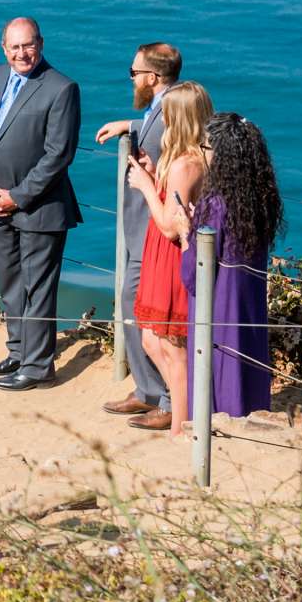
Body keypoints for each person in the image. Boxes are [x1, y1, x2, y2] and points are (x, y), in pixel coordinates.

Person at [0, 17, 81, 390]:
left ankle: (37, 367)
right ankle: (17, 351)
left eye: (28, 45)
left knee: (38, 287)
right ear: (3, 48)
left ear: (41, 44)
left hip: (40, 207)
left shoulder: (61, 88)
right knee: (11, 282)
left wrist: (17, 197)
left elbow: (58, 155)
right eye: (14, 47)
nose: (22, 53)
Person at [96, 42, 182, 419]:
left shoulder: (171, 112)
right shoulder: (162, 107)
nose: (131, 78)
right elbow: (153, 126)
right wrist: (129, 125)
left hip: (153, 232)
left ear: (152, 77)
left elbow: (171, 144)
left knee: (147, 312)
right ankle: (148, 389)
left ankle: (164, 398)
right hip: (141, 231)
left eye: (134, 73)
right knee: (133, 305)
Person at [126, 80, 211, 431]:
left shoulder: (185, 164)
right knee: (151, 337)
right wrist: (152, 173)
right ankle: (181, 416)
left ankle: (180, 425)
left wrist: (146, 187)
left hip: (170, 254)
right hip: (162, 254)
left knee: (171, 346)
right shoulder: (193, 156)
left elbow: (170, 226)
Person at [185, 112, 282, 420]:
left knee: (218, 372)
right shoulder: (258, 198)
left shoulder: (214, 204)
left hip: (218, 308)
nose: (203, 152)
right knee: (247, 365)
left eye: (205, 146)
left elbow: (194, 273)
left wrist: (186, 230)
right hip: (249, 304)